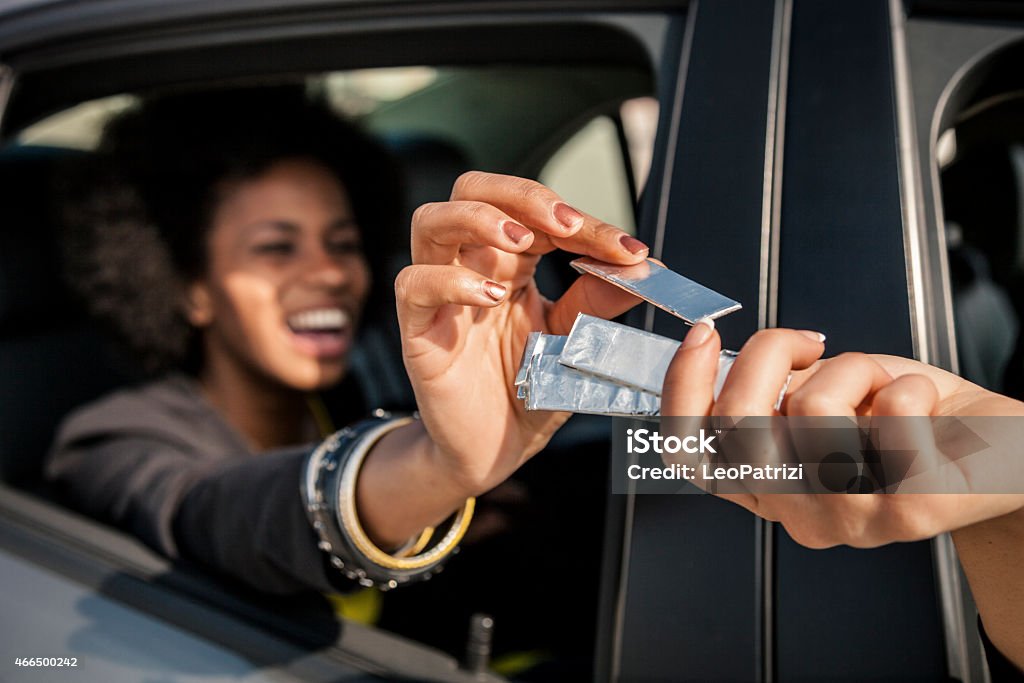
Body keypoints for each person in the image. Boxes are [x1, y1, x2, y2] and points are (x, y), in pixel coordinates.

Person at [46, 86, 650, 602]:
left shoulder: (351, 402)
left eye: (342, 243)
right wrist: (436, 469)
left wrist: (741, 446)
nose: (332, 274)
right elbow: (220, 517)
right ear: (189, 288)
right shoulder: (110, 444)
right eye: (276, 249)